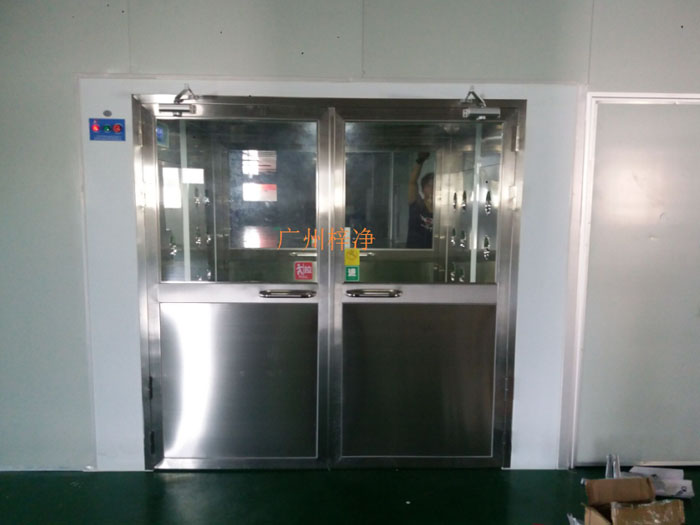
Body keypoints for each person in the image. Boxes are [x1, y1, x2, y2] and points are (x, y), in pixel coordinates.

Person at [406, 152, 434, 248]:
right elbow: (412, 182)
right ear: (423, 189)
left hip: (433, 253)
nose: (432, 188)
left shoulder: (441, 210)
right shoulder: (416, 204)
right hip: (414, 252)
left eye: (435, 185)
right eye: (429, 185)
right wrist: (420, 161)